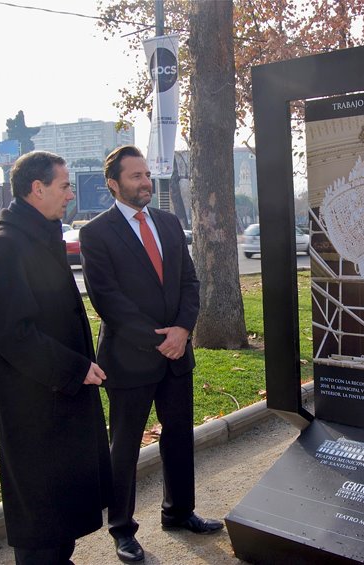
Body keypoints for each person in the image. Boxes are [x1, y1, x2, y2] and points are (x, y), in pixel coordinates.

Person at [79, 145, 222, 564]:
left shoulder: (169, 221)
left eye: (146, 175)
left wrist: (182, 330)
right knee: (123, 447)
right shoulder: (96, 232)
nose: (146, 182)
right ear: (113, 184)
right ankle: (122, 530)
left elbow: (190, 282)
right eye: (136, 176)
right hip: (129, 358)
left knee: (179, 437)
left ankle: (179, 512)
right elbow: (107, 299)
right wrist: (158, 338)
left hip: (177, 355)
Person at [0, 151, 112, 564]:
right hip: (34, 406)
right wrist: (74, 368)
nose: (71, 194)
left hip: (57, 399)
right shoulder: (6, 246)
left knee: (61, 515)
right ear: (38, 189)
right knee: (41, 523)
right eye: (65, 186)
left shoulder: (39, 234)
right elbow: (12, 334)